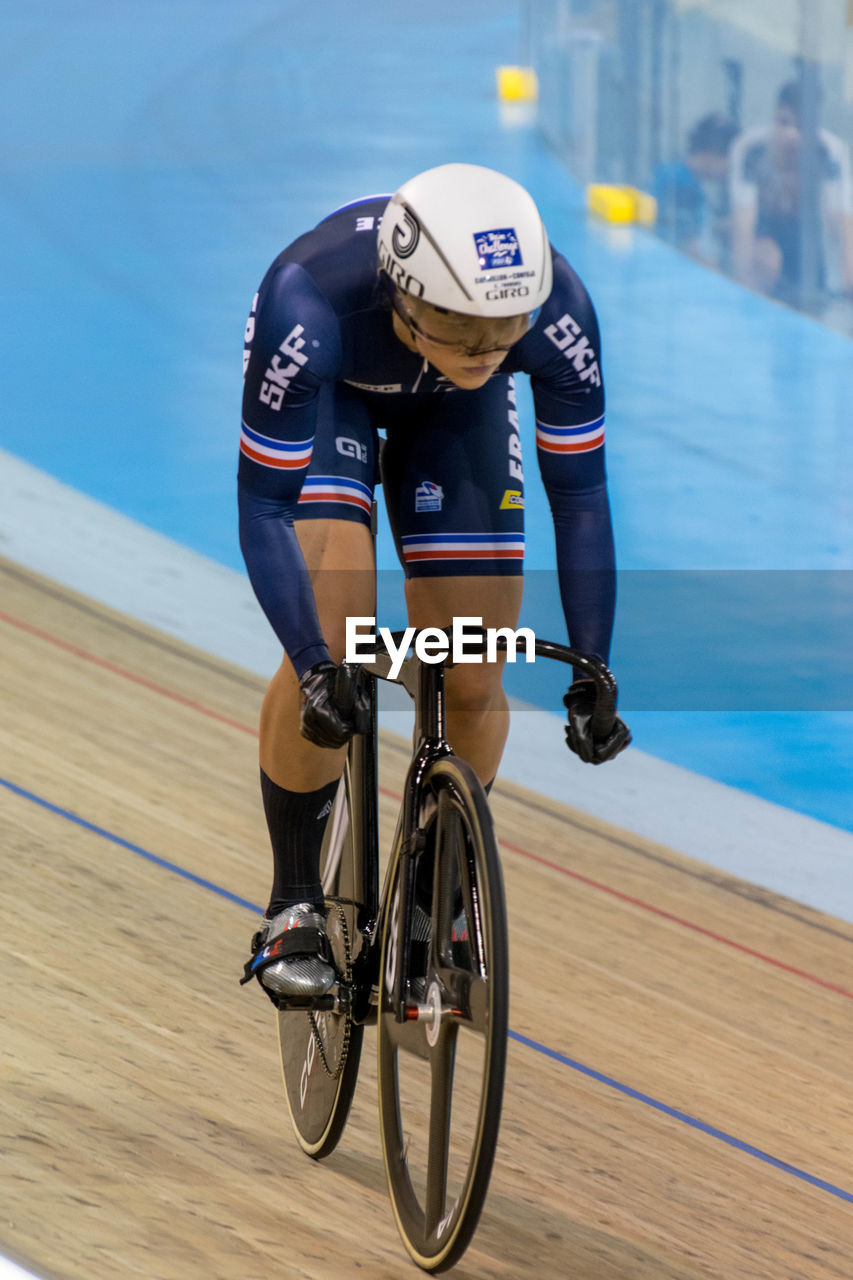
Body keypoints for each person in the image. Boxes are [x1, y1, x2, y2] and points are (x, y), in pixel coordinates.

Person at [238, 163, 631, 1000]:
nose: (490, 353)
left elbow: (582, 494)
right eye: (462, 333)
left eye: (505, 334)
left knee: (475, 664)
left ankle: (432, 906)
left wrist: (594, 665)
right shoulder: (305, 306)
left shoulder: (553, 311)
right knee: (339, 643)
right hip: (332, 394)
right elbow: (265, 506)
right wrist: (312, 662)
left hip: (451, 416)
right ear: (405, 302)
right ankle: (293, 906)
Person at [729, 80, 853, 301]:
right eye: (783, 122)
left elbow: (841, 220)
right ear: (773, 118)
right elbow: (743, 222)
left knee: (812, 295)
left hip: (805, 235)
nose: (791, 135)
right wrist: (743, 284)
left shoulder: (828, 152)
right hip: (764, 228)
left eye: (801, 127)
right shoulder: (750, 149)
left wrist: (849, 277)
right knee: (765, 260)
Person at [652, 112, 738, 264]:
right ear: (713, 155)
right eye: (731, 161)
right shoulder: (682, 185)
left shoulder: (678, 174)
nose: (731, 170)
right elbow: (688, 248)